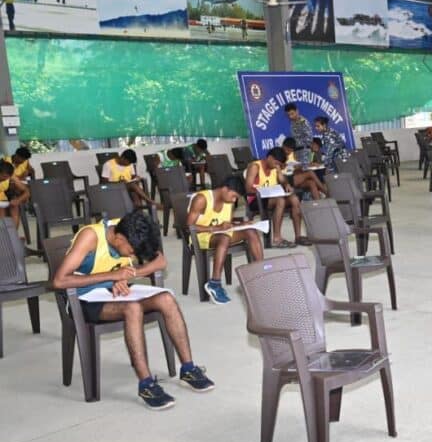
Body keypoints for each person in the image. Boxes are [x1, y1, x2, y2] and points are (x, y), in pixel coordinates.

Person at [51, 210, 215, 409]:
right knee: (133, 309)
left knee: (166, 299)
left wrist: (129, 274)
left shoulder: (132, 230)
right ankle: (146, 384)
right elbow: (59, 281)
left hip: (113, 292)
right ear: (119, 238)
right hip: (83, 299)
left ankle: (188, 369)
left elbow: (160, 261)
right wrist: (112, 276)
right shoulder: (91, 237)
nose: (133, 256)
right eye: (131, 252)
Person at [185, 175, 264, 304]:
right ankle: (214, 283)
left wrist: (241, 225)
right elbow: (189, 226)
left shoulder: (229, 203)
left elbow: (226, 225)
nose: (234, 200)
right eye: (233, 196)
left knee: (250, 231)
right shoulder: (202, 199)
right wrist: (215, 228)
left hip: (220, 234)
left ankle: (261, 273)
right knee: (225, 237)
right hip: (200, 236)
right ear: (225, 189)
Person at [244, 147, 306, 248]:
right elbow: (248, 188)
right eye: (276, 163)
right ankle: (277, 239)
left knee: (294, 199)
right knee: (280, 200)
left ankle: (298, 236)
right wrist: (263, 192)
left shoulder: (275, 167)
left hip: (272, 197)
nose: (277, 165)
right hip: (256, 199)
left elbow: (282, 180)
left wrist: (286, 184)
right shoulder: (255, 166)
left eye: (279, 164)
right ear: (270, 158)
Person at [0, 160, 30, 236]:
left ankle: (13, 235)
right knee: (2, 211)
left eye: (6, 177)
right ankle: (4, 237)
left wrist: (18, 200)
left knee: (14, 207)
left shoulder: (11, 177)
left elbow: (27, 192)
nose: (4, 179)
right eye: (3, 176)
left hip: (3, 200)